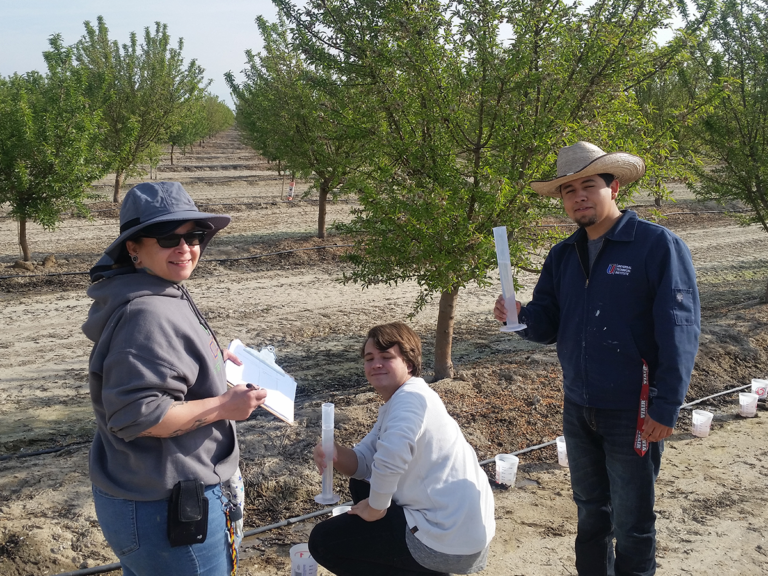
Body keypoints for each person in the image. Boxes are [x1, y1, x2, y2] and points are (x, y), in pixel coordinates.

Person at [494, 141, 701, 576]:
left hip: (635, 409)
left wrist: (666, 405)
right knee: (590, 513)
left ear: (615, 188)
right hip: (579, 406)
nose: (578, 197)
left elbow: (679, 329)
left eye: (588, 185)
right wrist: (520, 318)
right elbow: (548, 325)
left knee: (632, 522)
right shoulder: (563, 255)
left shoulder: (656, 246)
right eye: (569, 190)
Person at [82, 181, 267, 576]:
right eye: (168, 237)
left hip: (153, 499)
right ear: (133, 248)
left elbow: (159, 364)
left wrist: (212, 360)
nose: (185, 248)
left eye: (194, 236)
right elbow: (138, 414)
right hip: (168, 511)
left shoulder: (157, 288)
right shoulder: (147, 312)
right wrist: (224, 405)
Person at [308, 322, 495, 576]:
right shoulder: (403, 400)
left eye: (386, 357)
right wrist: (336, 453)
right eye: (369, 358)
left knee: (323, 542)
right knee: (361, 485)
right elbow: (363, 462)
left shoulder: (410, 400)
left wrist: (376, 509)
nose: (375, 364)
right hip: (460, 532)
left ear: (409, 363)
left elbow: (391, 457)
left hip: (446, 543)